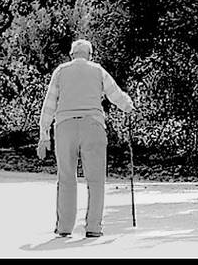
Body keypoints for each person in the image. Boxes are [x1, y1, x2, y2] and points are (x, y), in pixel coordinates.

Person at [37, 39, 134, 238]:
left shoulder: (61, 71)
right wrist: (128, 106)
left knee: (66, 178)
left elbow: (49, 104)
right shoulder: (97, 70)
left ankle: (64, 227)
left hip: (65, 127)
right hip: (93, 126)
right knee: (96, 179)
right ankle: (93, 227)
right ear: (90, 55)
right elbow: (115, 94)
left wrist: (44, 135)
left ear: (72, 55)